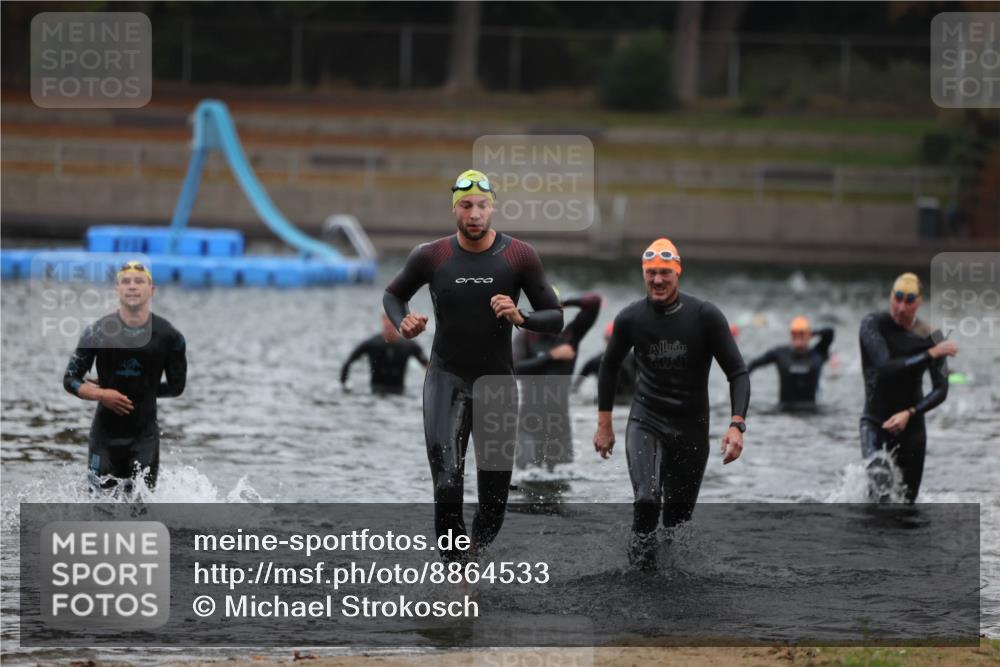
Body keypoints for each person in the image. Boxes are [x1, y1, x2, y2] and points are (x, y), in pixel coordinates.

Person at [383, 169, 563, 560]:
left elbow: (555, 317)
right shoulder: (431, 255)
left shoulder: (519, 256)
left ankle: (474, 555)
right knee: (447, 483)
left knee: (494, 501)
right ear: (455, 210)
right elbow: (394, 294)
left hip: (497, 384)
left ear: (492, 208)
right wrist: (404, 321)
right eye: (466, 206)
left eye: (482, 206)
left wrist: (522, 317)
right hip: (445, 379)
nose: (475, 214)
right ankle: (456, 574)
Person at [592, 238, 750, 569]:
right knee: (647, 499)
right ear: (644, 274)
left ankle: (666, 575)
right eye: (651, 273)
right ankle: (640, 574)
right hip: (646, 419)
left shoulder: (705, 316)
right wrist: (604, 424)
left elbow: (737, 372)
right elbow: (607, 367)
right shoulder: (631, 318)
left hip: (691, 428)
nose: (658, 280)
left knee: (676, 522)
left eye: (665, 272)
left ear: (677, 273)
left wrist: (737, 424)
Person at [63, 261, 187, 496]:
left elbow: (176, 387)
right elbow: (70, 379)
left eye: (139, 281)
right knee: (100, 507)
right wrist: (102, 394)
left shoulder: (170, 337)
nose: (132, 286)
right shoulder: (97, 332)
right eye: (126, 281)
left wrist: (140, 388)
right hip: (104, 439)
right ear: (117, 290)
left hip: (144, 439)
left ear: (152, 290)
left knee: (139, 510)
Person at [859, 273, 957, 503]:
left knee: (906, 507)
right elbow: (884, 368)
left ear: (919, 302)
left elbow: (941, 390)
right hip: (876, 423)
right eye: (897, 299)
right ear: (891, 297)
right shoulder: (873, 324)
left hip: (912, 429)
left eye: (908, 301)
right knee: (879, 490)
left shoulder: (932, 336)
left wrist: (910, 413)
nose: (901, 307)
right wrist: (930, 354)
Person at [513, 291, 601, 469]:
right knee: (527, 474)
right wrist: (551, 356)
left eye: (551, 309)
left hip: (559, 420)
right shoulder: (525, 337)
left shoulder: (569, 336)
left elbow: (594, 303)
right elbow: (515, 368)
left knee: (558, 479)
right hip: (530, 417)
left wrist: (564, 301)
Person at [747, 316, 835, 410]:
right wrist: (741, 381)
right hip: (784, 410)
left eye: (801, 333)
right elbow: (753, 364)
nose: (797, 336)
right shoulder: (781, 353)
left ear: (808, 335)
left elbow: (830, 332)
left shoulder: (818, 353)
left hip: (811, 410)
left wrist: (812, 333)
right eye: (794, 333)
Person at [340, 315, 428, 394]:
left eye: (392, 321)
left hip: (399, 393)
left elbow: (429, 367)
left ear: (398, 323)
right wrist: (344, 386)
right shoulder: (372, 343)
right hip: (375, 392)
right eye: (387, 321)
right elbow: (348, 362)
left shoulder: (408, 345)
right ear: (382, 321)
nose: (389, 325)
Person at [575, 322, 637, 405]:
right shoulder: (636, 359)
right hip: (629, 403)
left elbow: (575, 388)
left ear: (605, 339)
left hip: (603, 404)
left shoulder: (594, 361)